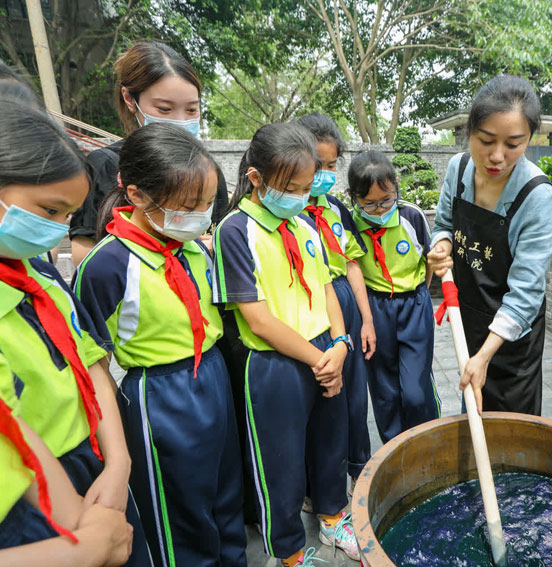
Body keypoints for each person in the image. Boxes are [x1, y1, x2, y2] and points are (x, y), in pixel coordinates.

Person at [72, 123, 247, 566]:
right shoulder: (108, 264)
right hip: (160, 395)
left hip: (212, 376)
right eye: (189, 206)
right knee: (181, 509)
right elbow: (91, 356)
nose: (202, 215)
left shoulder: (194, 250)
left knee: (226, 490)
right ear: (137, 195)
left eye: (207, 204)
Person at [0, 94, 151, 565]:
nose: (58, 229)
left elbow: (90, 361)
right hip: (28, 496)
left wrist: (118, 462)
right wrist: (85, 539)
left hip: (93, 460)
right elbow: (11, 426)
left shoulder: (39, 276)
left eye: (67, 216)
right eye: (48, 211)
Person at [212, 122, 357, 566]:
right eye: (291, 188)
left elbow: (327, 288)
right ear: (256, 178)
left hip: (324, 349)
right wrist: (323, 360)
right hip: (276, 363)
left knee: (331, 443)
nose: (300, 196)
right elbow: (257, 319)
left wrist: (341, 343)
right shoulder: (235, 230)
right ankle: (290, 550)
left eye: (306, 188)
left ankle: (333, 517)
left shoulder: (304, 224)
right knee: (280, 463)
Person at [427, 75, 552, 415]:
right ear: (470, 131)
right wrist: (442, 246)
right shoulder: (458, 169)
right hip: (470, 320)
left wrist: (485, 355)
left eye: (513, 144)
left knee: (511, 425)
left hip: (512, 340)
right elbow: (443, 225)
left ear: (529, 139)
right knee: (473, 413)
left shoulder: (536, 195)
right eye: (486, 140)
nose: (497, 156)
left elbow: (526, 293)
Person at [69, 41, 230, 265]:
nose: (180, 120)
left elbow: (217, 238)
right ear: (129, 99)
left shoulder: (206, 169)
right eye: (164, 109)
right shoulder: (106, 165)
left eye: (192, 109)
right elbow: (84, 256)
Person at [0, 341, 134, 567]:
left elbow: (9, 421)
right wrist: (86, 549)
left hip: (48, 485)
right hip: (25, 521)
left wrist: (88, 526)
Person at [296, 113, 373, 493]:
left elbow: (352, 263)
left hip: (344, 301)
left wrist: (367, 319)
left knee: (355, 395)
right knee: (323, 395)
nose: (324, 174)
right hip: (310, 309)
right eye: (318, 165)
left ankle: (360, 467)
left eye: (331, 166)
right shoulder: (287, 212)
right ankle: (318, 487)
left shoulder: (336, 209)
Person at [347, 150, 440, 444]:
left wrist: (419, 295)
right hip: (375, 309)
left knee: (415, 390)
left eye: (386, 200)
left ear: (396, 187)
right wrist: (367, 316)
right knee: (384, 390)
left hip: (413, 305)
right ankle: (395, 449)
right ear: (353, 197)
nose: (379, 210)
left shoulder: (411, 216)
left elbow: (428, 262)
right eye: (369, 204)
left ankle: (427, 441)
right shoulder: (351, 224)